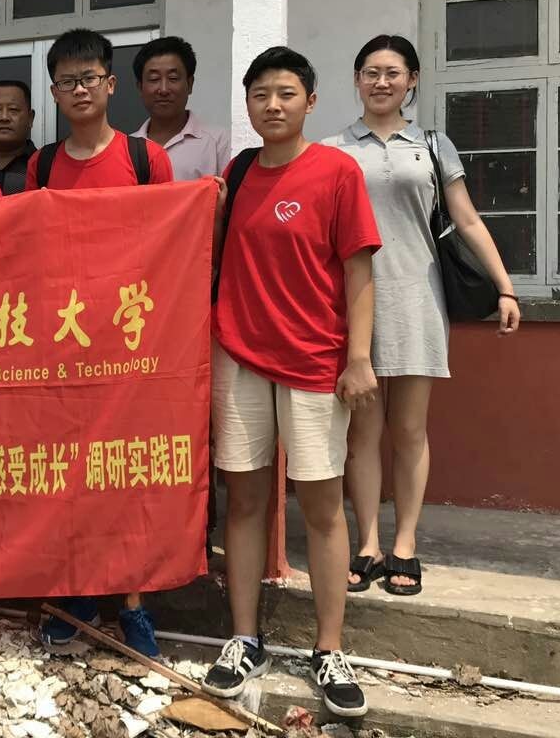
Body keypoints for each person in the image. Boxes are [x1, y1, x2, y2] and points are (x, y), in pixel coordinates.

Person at [204, 47, 380, 718]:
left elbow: (359, 271)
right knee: (245, 501)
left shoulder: (337, 172)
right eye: (260, 95)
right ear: (248, 105)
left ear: (310, 101)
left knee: (323, 507)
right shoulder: (238, 173)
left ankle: (329, 649)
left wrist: (358, 358)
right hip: (239, 354)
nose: (272, 105)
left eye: (285, 93)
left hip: (314, 363)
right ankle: (244, 639)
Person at [323, 35, 521, 598]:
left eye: (393, 72)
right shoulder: (333, 150)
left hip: (417, 297)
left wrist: (505, 288)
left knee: (409, 430)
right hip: (353, 302)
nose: (381, 82)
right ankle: (367, 543)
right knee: (362, 433)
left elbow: (467, 219)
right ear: (356, 79)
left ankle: (405, 544)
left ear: (412, 80)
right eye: (370, 72)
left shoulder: (433, 145)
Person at [26, 28, 173, 658]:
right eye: (67, 81)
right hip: (63, 343)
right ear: (54, 92)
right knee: (68, 476)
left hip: (131, 343)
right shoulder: (40, 166)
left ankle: (133, 603)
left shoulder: (146, 159)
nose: (79, 90)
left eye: (89, 78)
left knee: (126, 473)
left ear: (111, 84)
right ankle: (78, 595)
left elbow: (170, 241)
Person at [130, 36, 230, 180]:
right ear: (140, 87)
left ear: (190, 84)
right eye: (154, 79)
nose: (163, 89)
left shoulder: (218, 142)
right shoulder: (127, 147)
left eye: (173, 78)